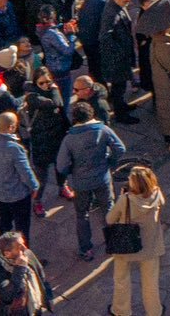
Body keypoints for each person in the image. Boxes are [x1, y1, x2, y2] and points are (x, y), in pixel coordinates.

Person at [53, 100, 126, 261]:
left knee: (82, 214)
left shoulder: (69, 139)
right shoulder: (103, 130)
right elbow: (120, 149)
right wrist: (109, 163)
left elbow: (61, 165)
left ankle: (86, 249)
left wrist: (72, 171)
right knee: (108, 209)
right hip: (102, 178)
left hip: (81, 182)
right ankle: (115, 244)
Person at [108, 164, 168, 316]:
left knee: (121, 279)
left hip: (126, 245)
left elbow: (109, 219)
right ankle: (154, 311)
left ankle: (121, 311)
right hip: (150, 245)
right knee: (151, 282)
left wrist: (122, 197)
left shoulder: (126, 200)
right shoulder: (157, 194)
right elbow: (161, 205)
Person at [0, 109, 38, 240]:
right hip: (18, 195)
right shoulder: (14, 148)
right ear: (11, 127)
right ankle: (24, 256)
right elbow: (25, 172)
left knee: (5, 225)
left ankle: (4, 253)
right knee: (22, 228)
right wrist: (34, 186)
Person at [0, 229, 57, 316]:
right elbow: (8, 295)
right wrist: (19, 268)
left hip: (35, 305)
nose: (25, 248)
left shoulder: (27, 254)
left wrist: (48, 296)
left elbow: (41, 274)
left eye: (23, 244)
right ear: (7, 254)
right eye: (19, 247)